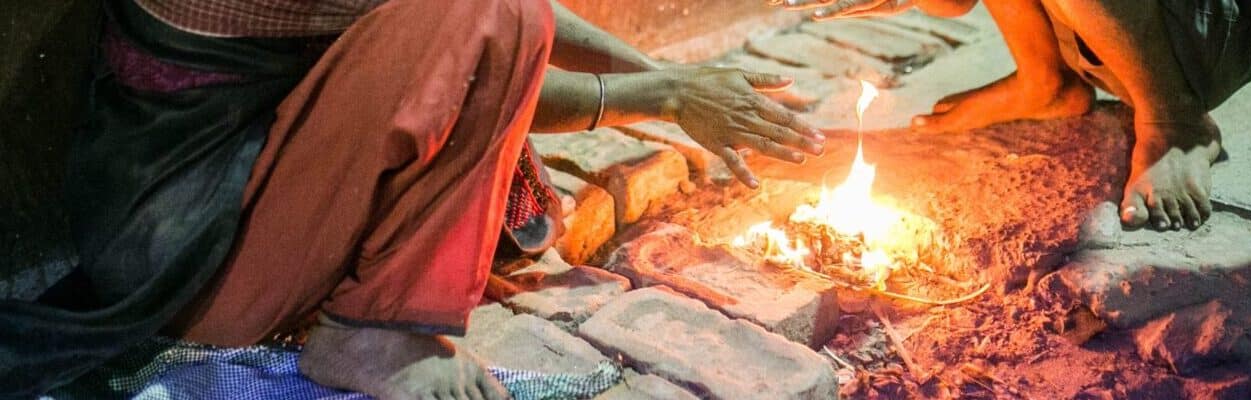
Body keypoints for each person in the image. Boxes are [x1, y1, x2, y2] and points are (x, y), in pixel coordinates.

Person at [0, 0, 825, 398]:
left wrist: (675, 84)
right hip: (189, 259)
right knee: (485, 21)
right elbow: (484, 48)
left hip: (197, 210)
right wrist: (666, 94)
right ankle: (368, 336)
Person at [775, 0, 1251, 231]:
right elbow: (951, 3)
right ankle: (1045, 80)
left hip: (1202, 30)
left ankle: (1173, 121)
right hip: (1097, 34)